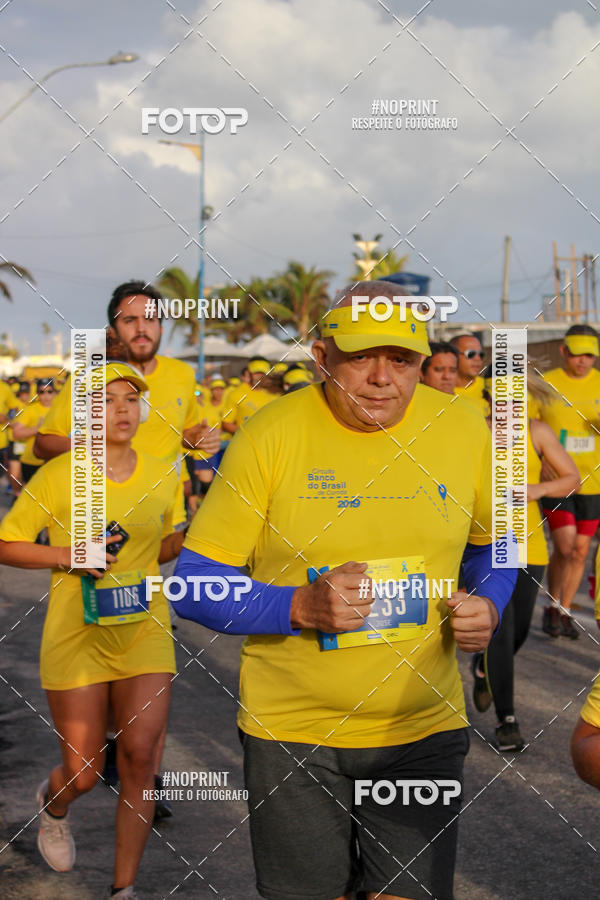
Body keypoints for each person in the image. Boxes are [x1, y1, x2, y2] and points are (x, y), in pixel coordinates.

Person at [171, 280, 516, 900]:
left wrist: (488, 600)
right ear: (321, 357)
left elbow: (499, 543)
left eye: (402, 359)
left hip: (420, 728)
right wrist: (298, 605)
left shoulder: (466, 428)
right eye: (361, 356)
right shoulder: (270, 434)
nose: (383, 378)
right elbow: (193, 585)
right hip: (294, 734)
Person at [32, 281, 220, 813]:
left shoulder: (183, 377)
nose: (142, 328)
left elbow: (187, 432)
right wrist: (101, 438)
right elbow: (43, 443)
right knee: (103, 640)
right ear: (113, 327)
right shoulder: (93, 377)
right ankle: (107, 760)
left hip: (153, 528)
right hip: (94, 524)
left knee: (146, 652)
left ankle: (140, 770)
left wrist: (197, 439)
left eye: (152, 319)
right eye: (130, 319)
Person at [0, 363, 185, 899]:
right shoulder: (60, 474)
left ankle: (122, 890)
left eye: (130, 399)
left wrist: (199, 537)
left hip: (143, 630)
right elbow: (8, 542)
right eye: (106, 400)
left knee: (140, 762)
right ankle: (54, 804)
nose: (122, 409)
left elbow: (162, 546)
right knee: (84, 772)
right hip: (76, 633)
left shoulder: (162, 471)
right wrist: (66, 554)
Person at [471, 371, 580, 750]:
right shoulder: (470, 430)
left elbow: (571, 478)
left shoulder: (537, 432)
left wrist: (538, 489)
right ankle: (508, 720)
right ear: (488, 396)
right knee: (501, 630)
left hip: (530, 546)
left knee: (515, 634)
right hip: (487, 545)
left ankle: (484, 668)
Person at [538, 324, 600, 640]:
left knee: (579, 550)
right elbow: (529, 427)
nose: (583, 362)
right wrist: (541, 460)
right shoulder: (547, 385)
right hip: (558, 482)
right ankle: (551, 603)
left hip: (594, 483)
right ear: (564, 352)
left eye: (589, 355)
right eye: (577, 355)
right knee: (564, 546)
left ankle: (563, 610)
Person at [12, 378, 56, 484]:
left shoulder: (60, 409)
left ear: (54, 392)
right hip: (31, 460)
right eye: (41, 392)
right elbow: (16, 433)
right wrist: (37, 428)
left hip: (54, 461)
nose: (46, 395)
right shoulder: (30, 409)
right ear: (37, 394)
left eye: (49, 391)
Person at [221, 357, 282, 434]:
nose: (259, 376)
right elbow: (226, 422)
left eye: (262, 373)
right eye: (256, 373)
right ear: (248, 373)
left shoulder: (276, 393)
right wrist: (247, 433)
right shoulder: (237, 394)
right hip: (246, 442)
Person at [449, 333, 488, 415]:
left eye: (481, 354)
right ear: (452, 355)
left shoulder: (489, 388)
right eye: (471, 354)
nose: (477, 359)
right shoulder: (441, 391)